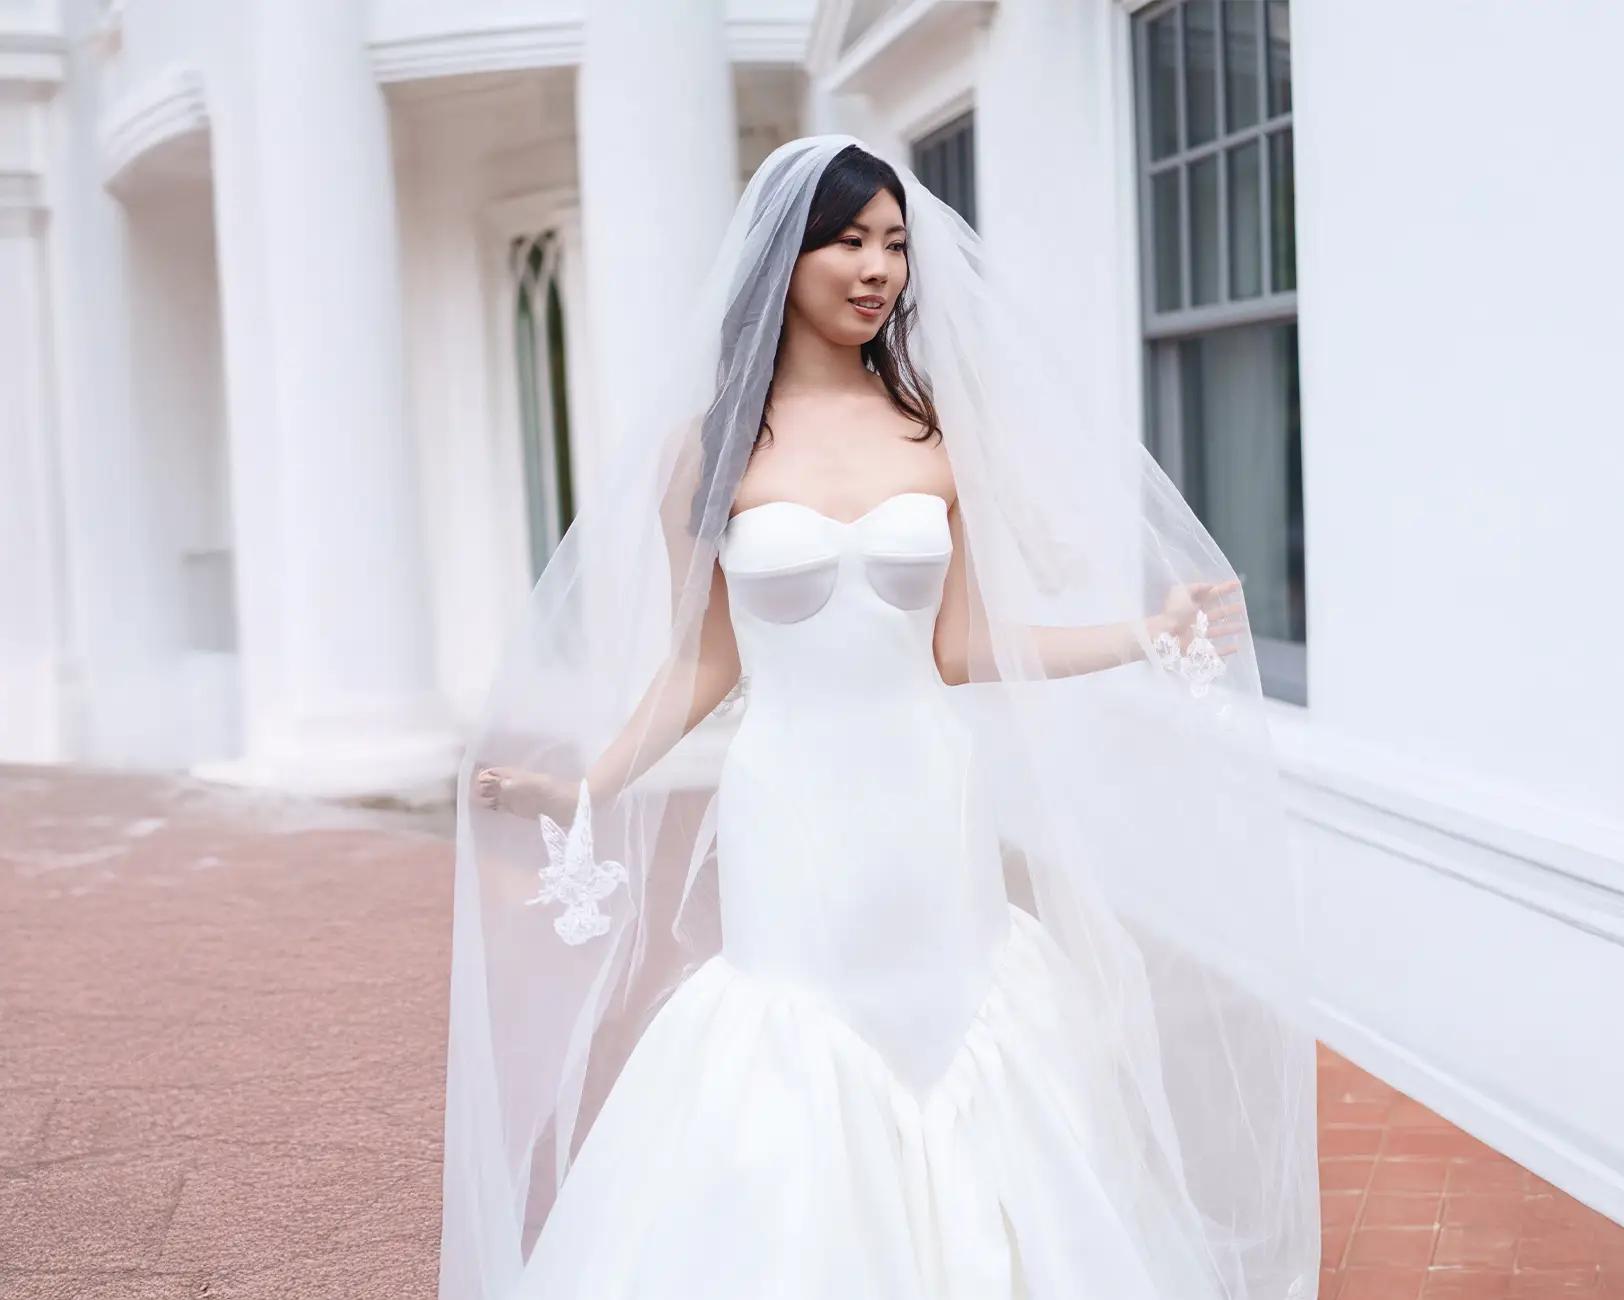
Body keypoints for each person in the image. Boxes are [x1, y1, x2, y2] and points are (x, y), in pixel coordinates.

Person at [438, 135, 1319, 1300]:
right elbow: (698, 665)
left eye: (894, 244)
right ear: (782, 259)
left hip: (926, 799)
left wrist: (1142, 634)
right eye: (848, 240)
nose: (878, 269)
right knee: (797, 1047)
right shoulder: (704, 452)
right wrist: (584, 790)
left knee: (960, 1030)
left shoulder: (933, 433)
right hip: (794, 812)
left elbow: (961, 646)